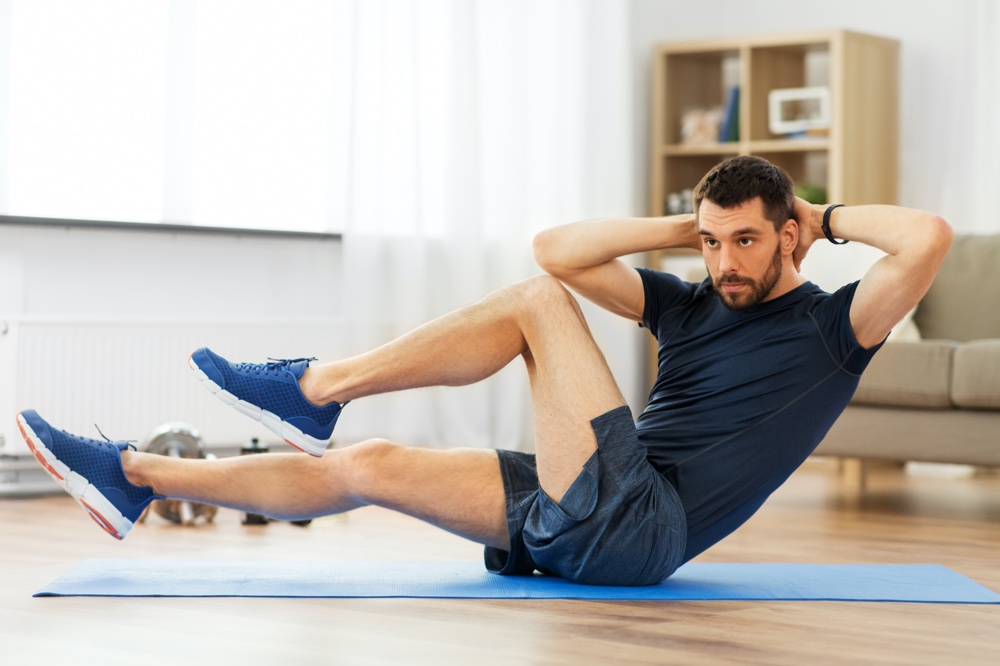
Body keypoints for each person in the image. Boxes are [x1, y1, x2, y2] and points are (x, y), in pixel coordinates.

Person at [16, 155, 952, 587]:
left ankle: (312, 389)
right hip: (582, 512)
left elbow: (927, 238)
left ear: (787, 235)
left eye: (746, 242)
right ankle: (133, 477)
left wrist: (814, 213)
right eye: (713, 245)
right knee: (368, 465)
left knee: (535, 309)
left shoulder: (835, 331)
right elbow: (557, 247)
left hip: (641, 526)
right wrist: (694, 224)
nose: (725, 264)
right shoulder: (693, 300)